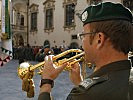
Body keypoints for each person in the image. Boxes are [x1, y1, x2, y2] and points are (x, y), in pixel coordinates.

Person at [38, 2, 133, 100]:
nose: (82, 42)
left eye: (83, 36)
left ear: (99, 39)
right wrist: (80, 83)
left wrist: (46, 82)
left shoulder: (85, 95)